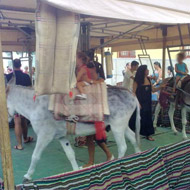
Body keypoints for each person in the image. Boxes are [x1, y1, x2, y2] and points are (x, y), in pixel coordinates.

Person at [132, 65, 165, 141]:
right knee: (138, 117)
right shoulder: (137, 80)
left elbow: (153, 90)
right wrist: (138, 103)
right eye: (147, 69)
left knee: (147, 118)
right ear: (143, 71)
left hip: (147, 102)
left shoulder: (148, 79)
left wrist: (161, 86)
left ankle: (148, 134)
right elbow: (133, 93)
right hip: (139, 102)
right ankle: (135, 132)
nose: (148, 70)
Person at [6, 59, 33, 150]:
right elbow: (30, 90)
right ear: (20, 65)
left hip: (14, 102)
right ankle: (25, 138)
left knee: (17, 121)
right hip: (24, 102)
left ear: (13, 66)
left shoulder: (9, 76)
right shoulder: (26, 76)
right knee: (24, 120)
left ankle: (19, 145)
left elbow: (6, 91)